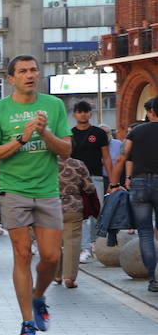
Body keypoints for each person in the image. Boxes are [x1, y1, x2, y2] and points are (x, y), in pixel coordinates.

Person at [0, 55, 71, 335]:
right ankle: (27, 323)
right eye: (22, 71)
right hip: (14, 190)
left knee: (51, 257)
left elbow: (66, 150)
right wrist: (22, 138)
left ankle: (38, 296)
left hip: (47, 190)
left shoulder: (54, 106)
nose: (30, 75)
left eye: (33, 69)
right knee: (22, 254)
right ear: (11, 79)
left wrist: (44, 132)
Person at [109, 96, 158, 292]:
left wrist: (114, 184)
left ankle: (153, 278)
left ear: (151, 112)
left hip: (138, 184)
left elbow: (122, 157)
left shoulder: (137, 131)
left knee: (145, 232)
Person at [70, 100, 112, 262]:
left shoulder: (99, 133)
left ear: (90, 114)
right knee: (82, 215)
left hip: (96, 178)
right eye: (80, 111)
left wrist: (113, 181)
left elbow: (107, 158)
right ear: (74, 114)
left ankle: (95, 243)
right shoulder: (69, 133)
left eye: (86, 111)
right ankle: (85, 247)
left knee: (97, 212)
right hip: (75, 180)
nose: (83, 114)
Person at [56, 155, 90, 289]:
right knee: (72, 242)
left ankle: (56, 275)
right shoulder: (78, 164)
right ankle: (69, 277)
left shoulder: (46, 163)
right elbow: (89, 187)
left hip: (51, 206)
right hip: (74, 206)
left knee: (53, 241)